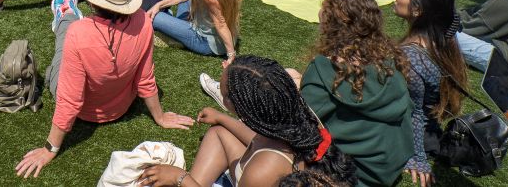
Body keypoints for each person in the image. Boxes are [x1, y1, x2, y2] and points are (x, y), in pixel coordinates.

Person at [14, 0, 194, 178]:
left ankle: (65, 11)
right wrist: (160, 117)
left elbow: (70, 101)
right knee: (68, 39)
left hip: (85, 110)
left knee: (60, 49)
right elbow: (144, 79)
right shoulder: (144, 21)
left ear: (91, 0)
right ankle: (66, 13)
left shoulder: (78, 33)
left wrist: (49, 149)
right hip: (121, 108)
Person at [143, 57, 355, 187]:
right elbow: (257, 140)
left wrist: (180, 178)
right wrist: (222, 117)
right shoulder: (295, 118)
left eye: (225, 95)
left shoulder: (263, 169)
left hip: (257, 179)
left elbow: (262, 150)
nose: (221, 96)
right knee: (218, 132)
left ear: (247, 110)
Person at [299, 0, 413, 186]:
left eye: (324, 7)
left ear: (333, 21)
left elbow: (299, 124)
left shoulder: (324, 69)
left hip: (347, 175)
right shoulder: (390, 63)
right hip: (387, 169)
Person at [392, 0, 468, 186]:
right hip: (432, 129)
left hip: (414, 135)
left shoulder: (412, 57)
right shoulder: (441, 41)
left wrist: (417, 158)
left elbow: (415, 113)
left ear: (417, 10)